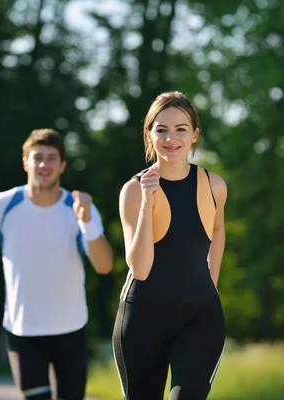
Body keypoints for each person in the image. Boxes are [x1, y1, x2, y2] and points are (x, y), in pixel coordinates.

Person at [0, 128, 114, 400]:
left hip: (71, 328)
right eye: (38, 158)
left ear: (63, 165)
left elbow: (104, 266)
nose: (44, 164)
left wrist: (87, 223)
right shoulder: (3, 205)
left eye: (52, 158)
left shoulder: (80, 207)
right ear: (26, 162)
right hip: (23, 330)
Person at [112, 91, 227, 399]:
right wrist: (148, 205)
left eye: (180, 129)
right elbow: (140, 267)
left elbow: (217, 232)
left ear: (194, 135)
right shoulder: (133, 192)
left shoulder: (214, 186)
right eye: (161, 129)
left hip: (199, 317)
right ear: (149, 135)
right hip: (142, 320)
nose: (170, 138)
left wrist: (209, 287)